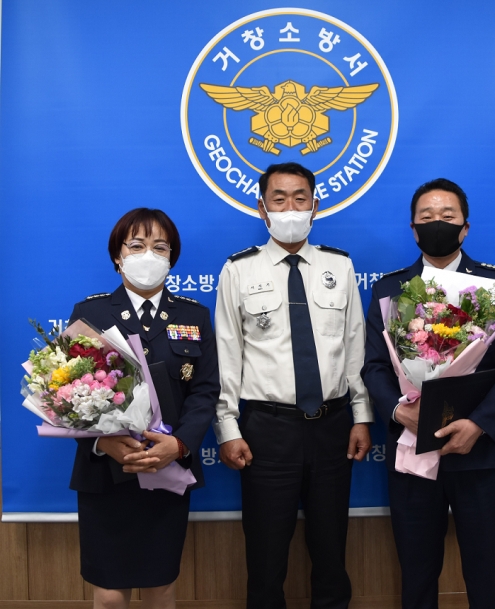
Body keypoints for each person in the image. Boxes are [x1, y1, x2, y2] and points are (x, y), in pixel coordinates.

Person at [361, 178, 495, 609]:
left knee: (487, 571)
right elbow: (374, 366)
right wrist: (399, 411)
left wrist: (479, 424)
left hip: (480, 454)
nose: (436, 223)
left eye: (447, 216)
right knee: (417, 572)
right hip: (412, 449)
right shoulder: (389, 289)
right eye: (427, 217)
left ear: (465, 227)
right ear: (413, 229)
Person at [214, 162, 373, 609]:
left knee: (331, 550)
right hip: (267, 429)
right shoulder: (238, 270)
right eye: (279, 199)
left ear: (315, 205)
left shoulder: (339, 266)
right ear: (261, 207)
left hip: (332, 426)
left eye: (300, 198)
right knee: (266, 556)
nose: (290, 208)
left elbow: (354, 346)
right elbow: (227, 355)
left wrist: (362, 416)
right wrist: (227, 428)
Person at [68, 208, 220, 609]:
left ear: (171, 258)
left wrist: (180, 444)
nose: (148, 255)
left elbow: (205, 391)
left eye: (160, 247)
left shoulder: (194, 315)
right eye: (136, 245)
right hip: (104, 474)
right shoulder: (90, 314)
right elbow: (68, 393)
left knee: (160, 587)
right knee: (109, 595)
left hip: (167, 470)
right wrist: (104, 441)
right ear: (118, 256)